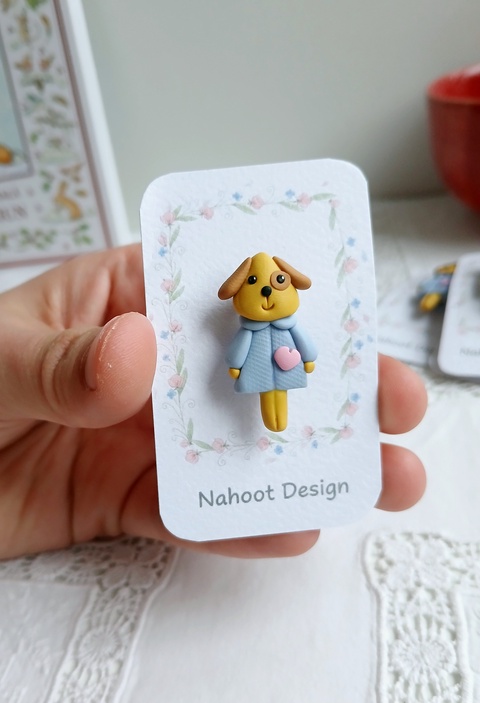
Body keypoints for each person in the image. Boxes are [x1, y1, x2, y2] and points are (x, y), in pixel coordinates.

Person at [0, 243, 427, 560]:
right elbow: (239, 347)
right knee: (268, 401)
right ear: (242, 289)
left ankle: (277, 421)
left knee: (280, 402)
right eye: (256, 283)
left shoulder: (286, 325)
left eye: (277, 283)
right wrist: (236, 367)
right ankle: (272, 420)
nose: (267, 291)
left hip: (285, 360)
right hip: (259, 364)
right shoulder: (250, 327)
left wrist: (310, 359)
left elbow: (304, 341)